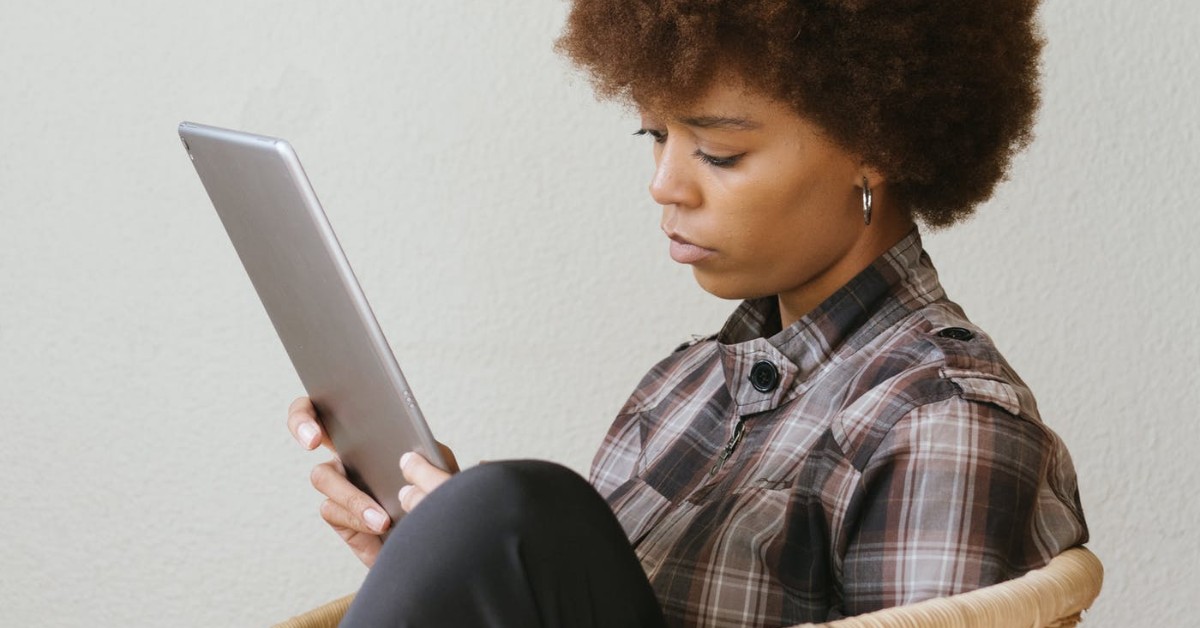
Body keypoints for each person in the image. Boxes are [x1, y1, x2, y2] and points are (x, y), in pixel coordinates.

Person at [286, 1, 1089, 626]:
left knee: (520, 508)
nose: (665, 184)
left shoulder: (943, 422)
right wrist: (450, 566)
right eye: (655, 135)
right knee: (500, 518)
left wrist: (501, 530)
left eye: (718, 152)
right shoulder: (682, 387)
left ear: (874, 143)